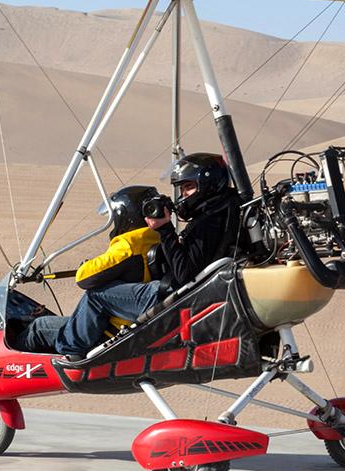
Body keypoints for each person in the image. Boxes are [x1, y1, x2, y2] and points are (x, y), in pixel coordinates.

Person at [27, 153, 241, 360]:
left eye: (188, 187)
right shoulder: (223, 211)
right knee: (45, 324)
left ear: (208, 184)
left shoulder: (208, 222)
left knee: (96, 296)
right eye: (182, 189)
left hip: (170, 297)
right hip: (178, 295)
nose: (183, 195)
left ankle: (69, 352)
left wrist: (166, 230)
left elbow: (184, 273)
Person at [21, 185, 160, 353]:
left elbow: (84, 278)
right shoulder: (156, 239)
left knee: (39, 327)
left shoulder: (130, 245)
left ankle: (21, 366)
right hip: (126, 322)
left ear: (125, 216)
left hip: (109, 331)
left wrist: (86, 265)